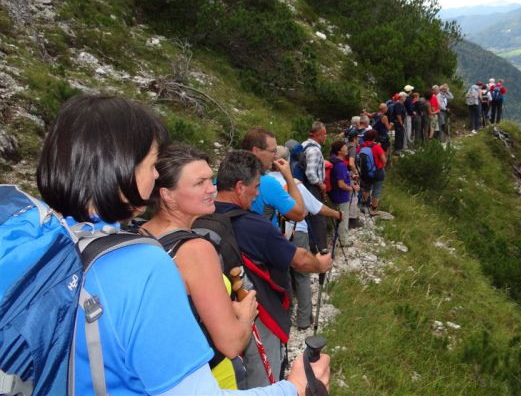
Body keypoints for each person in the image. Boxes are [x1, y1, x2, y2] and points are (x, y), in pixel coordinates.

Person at [36, 94, 328, 396]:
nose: (154, 174)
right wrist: (294, 388)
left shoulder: (53, 239)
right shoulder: (142, 264)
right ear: (119, 167)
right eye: (150, 164)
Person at [208, 150, 333, 389]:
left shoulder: (200, 216)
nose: (257, 193)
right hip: (258, 314)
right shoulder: (255, 225)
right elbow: (299, 259)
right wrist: (321, 264)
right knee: (264, 380)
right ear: (239, 187)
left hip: (214, 314)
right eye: (255, 187)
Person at [141, 144, 257, 390]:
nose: (212, 189)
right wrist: (245, 315)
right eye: (199, 183)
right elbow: (231, 343)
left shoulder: (138, 236)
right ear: (167, 195)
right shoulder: (195, 250)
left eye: (211, 180)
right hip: (209, 376)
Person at [272, 146, 343, 330]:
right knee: (302, 276)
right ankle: (304, 320)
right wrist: (337, 215)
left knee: (282, 276)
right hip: (297, 233)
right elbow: (317, 207)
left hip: (274, 235)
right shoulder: (294, 183)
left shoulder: (262, 182)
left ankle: (284, 319)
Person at [242, 128, 305, 226]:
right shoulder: (267, 183)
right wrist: (289, 176)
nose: (274, 156)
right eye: (273, 151)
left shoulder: (225, 176)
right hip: (265, 239)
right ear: (256, 151)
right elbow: (299, 214)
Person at [302, 122, 329, 251]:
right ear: (318, 134)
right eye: (324, 134)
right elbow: (310, 173)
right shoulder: (315, 150)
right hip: (313, 188)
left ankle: (312, 247)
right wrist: (320, 184)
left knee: (309, 218)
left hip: (303, 187)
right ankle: (321, 249)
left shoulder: (304, 145)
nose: (326, 137)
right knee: (318, 218)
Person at [328, 141, 358, 247]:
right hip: (341, 195)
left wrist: (350, 176)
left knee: (335, 216)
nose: (347, 149)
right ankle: (343, 241)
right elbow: (340, 184)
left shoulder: (332, 160)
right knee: (343, 217)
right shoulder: (340, 165)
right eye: (345, 147)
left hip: (332, 194)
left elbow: (339, 177)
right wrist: (352, 188)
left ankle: (335, 237)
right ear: (340, 150)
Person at [357, 130, 386, 215]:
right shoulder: (377, 146)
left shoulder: (360, 146)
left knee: (366, 189)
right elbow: (384, 160)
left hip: (365, 172)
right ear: (374, 137)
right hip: (378, 171)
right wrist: (381, 166)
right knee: (376, 190)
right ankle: (373, 210)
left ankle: (363, 207)